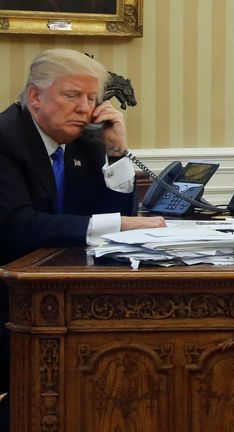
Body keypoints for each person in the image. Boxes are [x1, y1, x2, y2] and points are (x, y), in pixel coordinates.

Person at [0, 48, 165, 428]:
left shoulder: (81, 143)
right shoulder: (6, 140)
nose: (85, 109)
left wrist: (117, 150)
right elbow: (18, 226)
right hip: (6, 297)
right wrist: (119, 224)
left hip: (55, 289)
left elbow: (113, 210)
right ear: (36, 97)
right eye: (72, 96)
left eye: (92, 99)